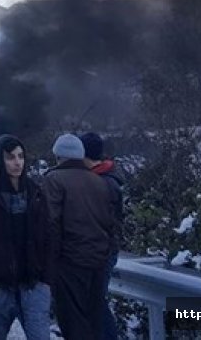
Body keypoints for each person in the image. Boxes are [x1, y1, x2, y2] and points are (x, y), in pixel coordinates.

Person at [0, 135, 53, 340]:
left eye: (20, 156)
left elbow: (49, 237)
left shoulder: (35, 193)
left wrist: (46, 281)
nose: (17, 162)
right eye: (10, 157)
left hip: (33, 286)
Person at [43, 134, 116, 340]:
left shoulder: (54, 179)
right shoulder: (99, 181)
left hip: (70, 263)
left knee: (73, 323)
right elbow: (108, 224)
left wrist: (50, 264)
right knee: (93, 319)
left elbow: (51, 224)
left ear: (58, 155)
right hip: (98, 262)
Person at [80, 133, 126, 340]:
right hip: (97, 249)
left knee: (94, 302)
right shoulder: (103, 178)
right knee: (91, 302)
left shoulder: (104, 183)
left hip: (101, 251)